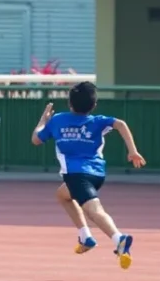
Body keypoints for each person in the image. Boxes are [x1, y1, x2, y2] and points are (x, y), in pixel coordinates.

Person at [31, 81, 146, 269]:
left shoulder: (57, 120)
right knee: (62, 195)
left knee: (95, 211)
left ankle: (119, 238)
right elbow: (121, 124)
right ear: (93, 105)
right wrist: (132, 151)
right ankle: (86, 237)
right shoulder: (97, 121)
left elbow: (36, 139)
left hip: (77, 175)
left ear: (70, 103)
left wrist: (43, 121)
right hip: (97, 174)